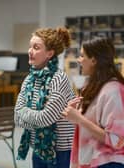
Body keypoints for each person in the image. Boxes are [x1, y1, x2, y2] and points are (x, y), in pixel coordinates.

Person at [14, 26, 75, 168]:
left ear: (49, 53)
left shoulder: (59, 79)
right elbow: (17, 117)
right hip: (38, 144)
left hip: (59, 149)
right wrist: (34, 118)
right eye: (30, 46)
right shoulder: (29, 78)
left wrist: (24, 112)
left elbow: (46, 118)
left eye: (36, 47)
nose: (30, 51)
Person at [62, 37, 124, 168]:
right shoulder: (93, 86)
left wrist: (80, 119)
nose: (79, 60)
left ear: (94, 60)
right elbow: (93, 124)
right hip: (94, 160)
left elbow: (117, 140)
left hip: (109, 162)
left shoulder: (113, 90)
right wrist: (76, 115)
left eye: (82, 56)